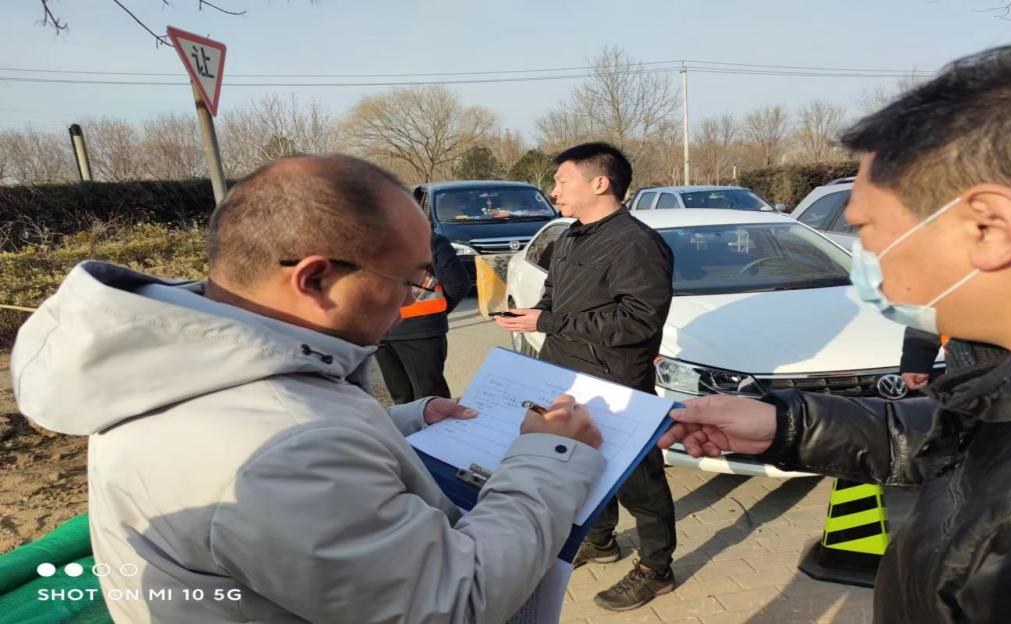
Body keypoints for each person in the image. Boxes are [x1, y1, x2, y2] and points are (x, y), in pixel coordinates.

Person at [10, 155, 606, 623]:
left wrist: (406, 420)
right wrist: (550, 458)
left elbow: (284, 432)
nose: (412, 297)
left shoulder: (168, 362)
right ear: (315, 278)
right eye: (407, 278)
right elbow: (453, 601)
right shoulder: (284, 451)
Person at [658, 37, 1011, 623]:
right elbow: (967, 439)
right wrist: (788, 424)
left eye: (868, 229)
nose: (864, 256)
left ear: (990, 227)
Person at [495, 142, 677, 611]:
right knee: (579, 464)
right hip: (565, 370)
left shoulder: (637, 243)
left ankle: (656, 568)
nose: (554, 191)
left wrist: (549, 322)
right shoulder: (569, 236)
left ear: (600, 183)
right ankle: (600, 540)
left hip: (616, 380)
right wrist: (534, 315)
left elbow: (638, 321)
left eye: (562, 181)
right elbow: (554, 295)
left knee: (639, 479)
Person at [375, 231, 470, 403]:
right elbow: (457, 283)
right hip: (421, 329)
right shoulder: (428, 240)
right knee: (432, 398)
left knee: (401, 398)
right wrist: (436, 313)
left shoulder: (362, 238)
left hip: (380, 328)